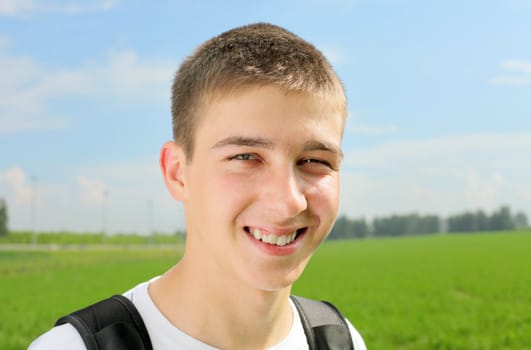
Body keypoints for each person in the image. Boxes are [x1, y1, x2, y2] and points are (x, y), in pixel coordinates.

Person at [29, 22, 367, 350]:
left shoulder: (339, 339)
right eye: (246, 157)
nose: (289, 201)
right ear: (178, 173)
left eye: (314, 161)